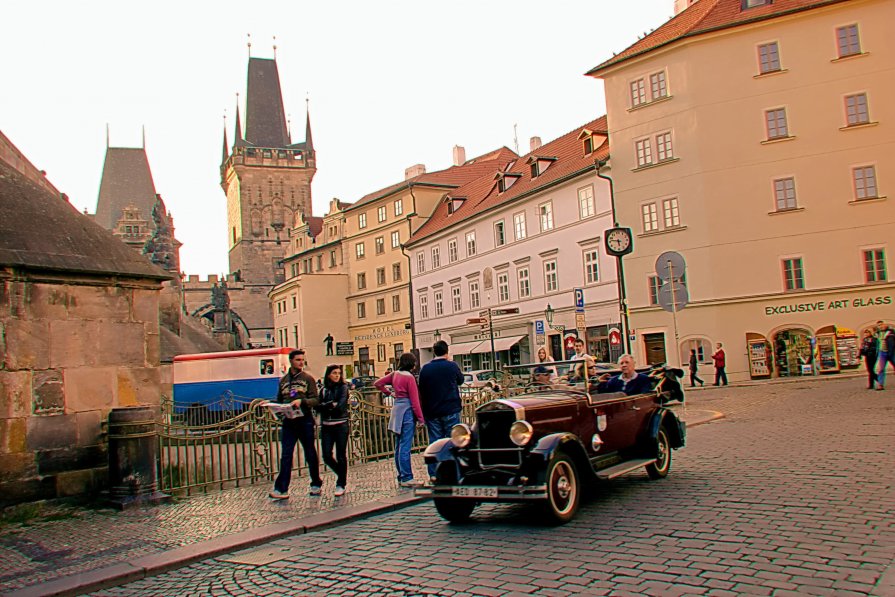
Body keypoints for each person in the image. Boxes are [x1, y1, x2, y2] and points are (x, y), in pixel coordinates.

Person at [269, 349, 322, 500]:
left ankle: (316, 483)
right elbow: (280, 399)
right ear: (291, 361)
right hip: (289, 421)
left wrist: (302, 401)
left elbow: (315, 399)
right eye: (298, 360)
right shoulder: (284, 381)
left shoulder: (308, 379)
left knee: (310, 452)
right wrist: (276, 408)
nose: (301, 362)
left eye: (302, 360)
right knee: (286, 454)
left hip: (304, 420)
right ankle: (281, 488)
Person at [375, 353, 425, 487]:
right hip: (407, 411)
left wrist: (389, 393)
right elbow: (415, 401)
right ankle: (407, 477)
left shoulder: (395, 374)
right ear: (411, 364)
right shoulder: (410, 378)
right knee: (405, 445)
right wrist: (420, 418)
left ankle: (401, 475)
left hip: (397, 410)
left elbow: (378, 383)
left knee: (398, 445)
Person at [418, 340, 465, 479]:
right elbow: (460, 380)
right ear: (446, 351)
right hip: (451, 409)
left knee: (435, 443)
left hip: (432, 411)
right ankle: (455, 473)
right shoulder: (451, 366)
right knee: (453, 441)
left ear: (434, 352)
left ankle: (434, 474)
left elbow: (422, 389)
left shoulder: (425, 369)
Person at [318, 364, 350, 496]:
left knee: (340, 454)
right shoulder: (323, 389)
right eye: (334, 373)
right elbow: (318, 406)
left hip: (341, 424)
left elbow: (340, 405)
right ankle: (341, 474)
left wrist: (329, 406)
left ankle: (341, 483)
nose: (337, 375)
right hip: (327, 425)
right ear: (328, 375)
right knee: (326, 455)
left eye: (338, 373)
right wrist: (330, 405)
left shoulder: (343, 388)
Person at [877, 323, 895, 391]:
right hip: (882, 352)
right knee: (881, 369)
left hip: (892, 352)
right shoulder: (878, 334)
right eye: (879, 326)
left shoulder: (891, 332)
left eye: (882, 325)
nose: (881, 327)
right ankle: (880, 384)